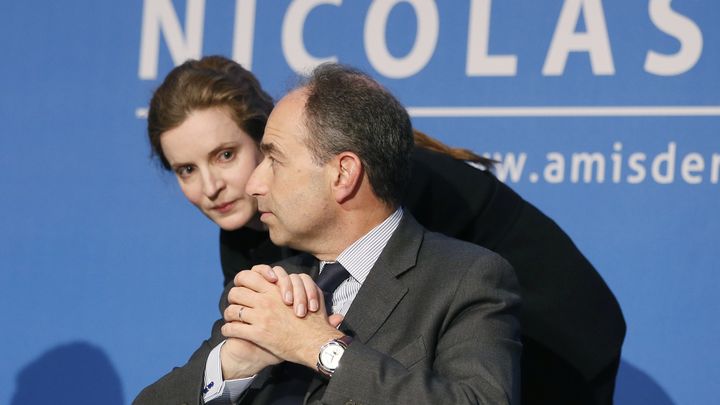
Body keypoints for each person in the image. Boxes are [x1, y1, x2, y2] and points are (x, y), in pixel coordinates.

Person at [137, 55, 625, 404]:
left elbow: (415, 303)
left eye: (227, 156)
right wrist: (232, 363)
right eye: (185, 170)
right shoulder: (256, 239)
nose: (213, 186)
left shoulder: (418, 215)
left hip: (558, 336)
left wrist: (315, 344)